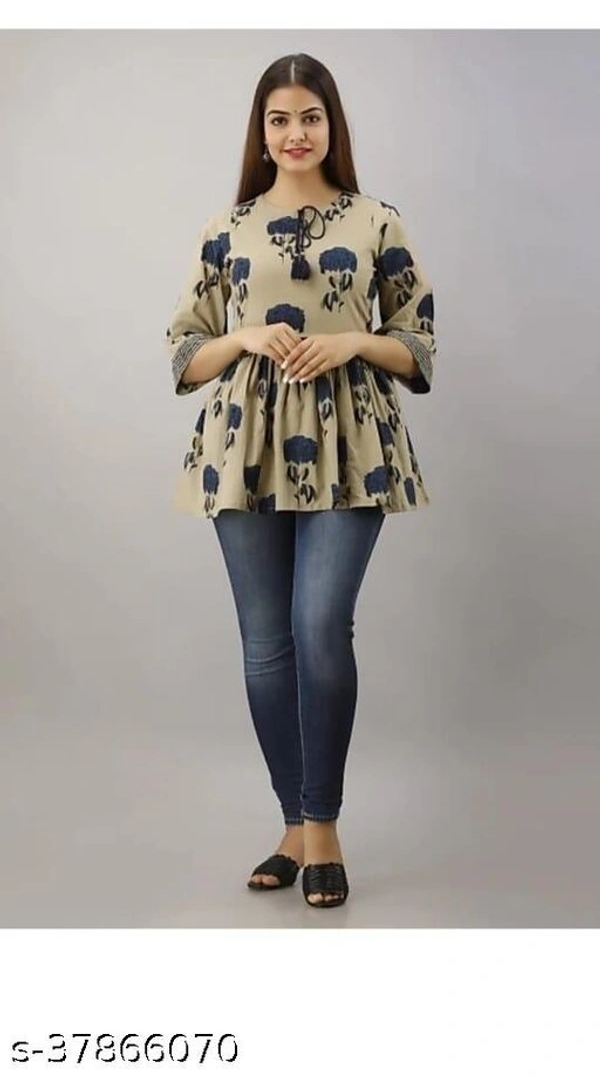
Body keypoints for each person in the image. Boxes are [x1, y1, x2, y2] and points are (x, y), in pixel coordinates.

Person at [164, 53, 436, 908]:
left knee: (319, 626)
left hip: (353, 442)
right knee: (264, 644)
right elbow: (184, 352)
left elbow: (418, 343)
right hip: (242, 447)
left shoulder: (376, 220)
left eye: (309, 117)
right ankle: (295, 823)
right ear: (261, 131)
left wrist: (353, 340)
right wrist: (244, 336)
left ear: (332, 125)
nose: (294, 134)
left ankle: (323, 823)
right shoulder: (228, 227)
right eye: (278, 119)